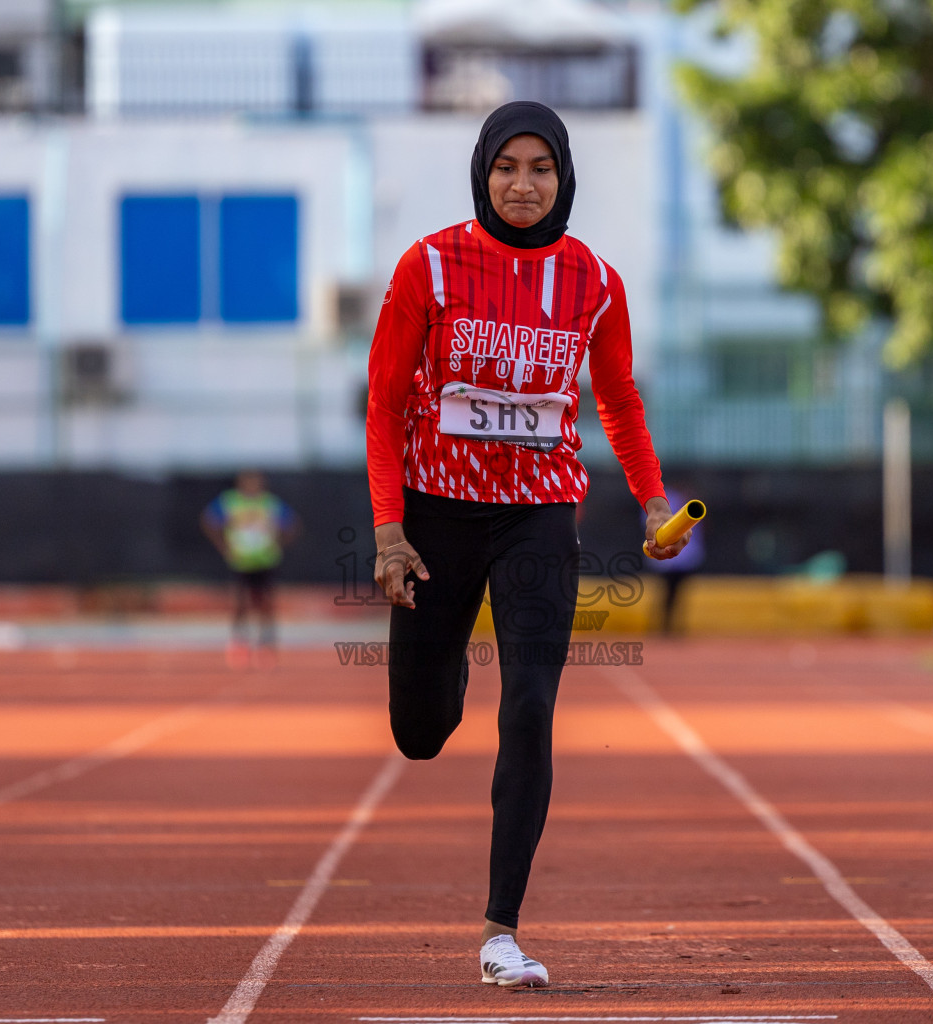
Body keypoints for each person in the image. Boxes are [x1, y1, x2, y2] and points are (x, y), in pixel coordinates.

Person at [367, 101, 690, 989]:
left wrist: (653, 498)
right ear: (482, 172)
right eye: (506, 165)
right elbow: (386, 404)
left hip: (540, 514)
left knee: (534, 705)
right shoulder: (427, 266)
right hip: (434, 515)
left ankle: (501, 929)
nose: (522, 183)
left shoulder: (595, 281)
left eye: (540, 167)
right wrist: (390, 529)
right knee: (420, 732)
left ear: (564, 177)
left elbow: (618, 402)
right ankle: (447, 668)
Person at [200, 471, 297, 666]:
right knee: (241, 602)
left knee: (265, 603)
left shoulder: (269, 503)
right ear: (240, 483)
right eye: (248, 482)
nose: (252, 486)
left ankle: (266, 644)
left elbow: (292, 524)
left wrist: (278, 544)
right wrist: (224, 546)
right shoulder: (231, 501)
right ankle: (239, 643)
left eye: (256, 482)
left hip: (265, 560)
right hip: (241, 561)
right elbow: (208, 521)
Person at [644, 485, 704, 635]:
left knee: (674, 594)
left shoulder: (679, 500)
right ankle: (665, 626)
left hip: (681, 559)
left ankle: (667, 626)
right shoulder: (667, 500)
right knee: (669, 594)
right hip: (676, 559)